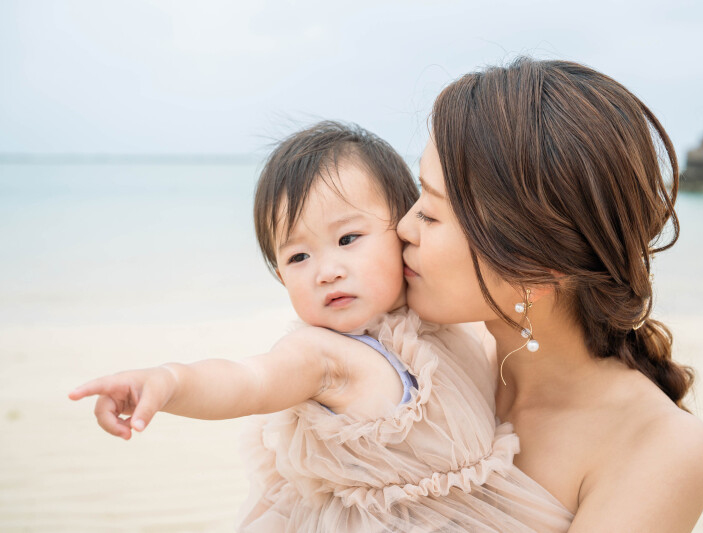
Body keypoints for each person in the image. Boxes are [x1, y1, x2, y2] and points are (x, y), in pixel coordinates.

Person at [68, 121, 574, 532]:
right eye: (298, 255)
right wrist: (170, 381)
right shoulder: (322, 355)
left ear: (403, 228)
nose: (326, 269)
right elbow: (248, 380)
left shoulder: (441, 320)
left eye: (348, 238)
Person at [397, 57, 703, 532]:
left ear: (538, 268)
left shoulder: (658, 447)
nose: (404, 225)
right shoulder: (427, 358)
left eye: (431, 213)